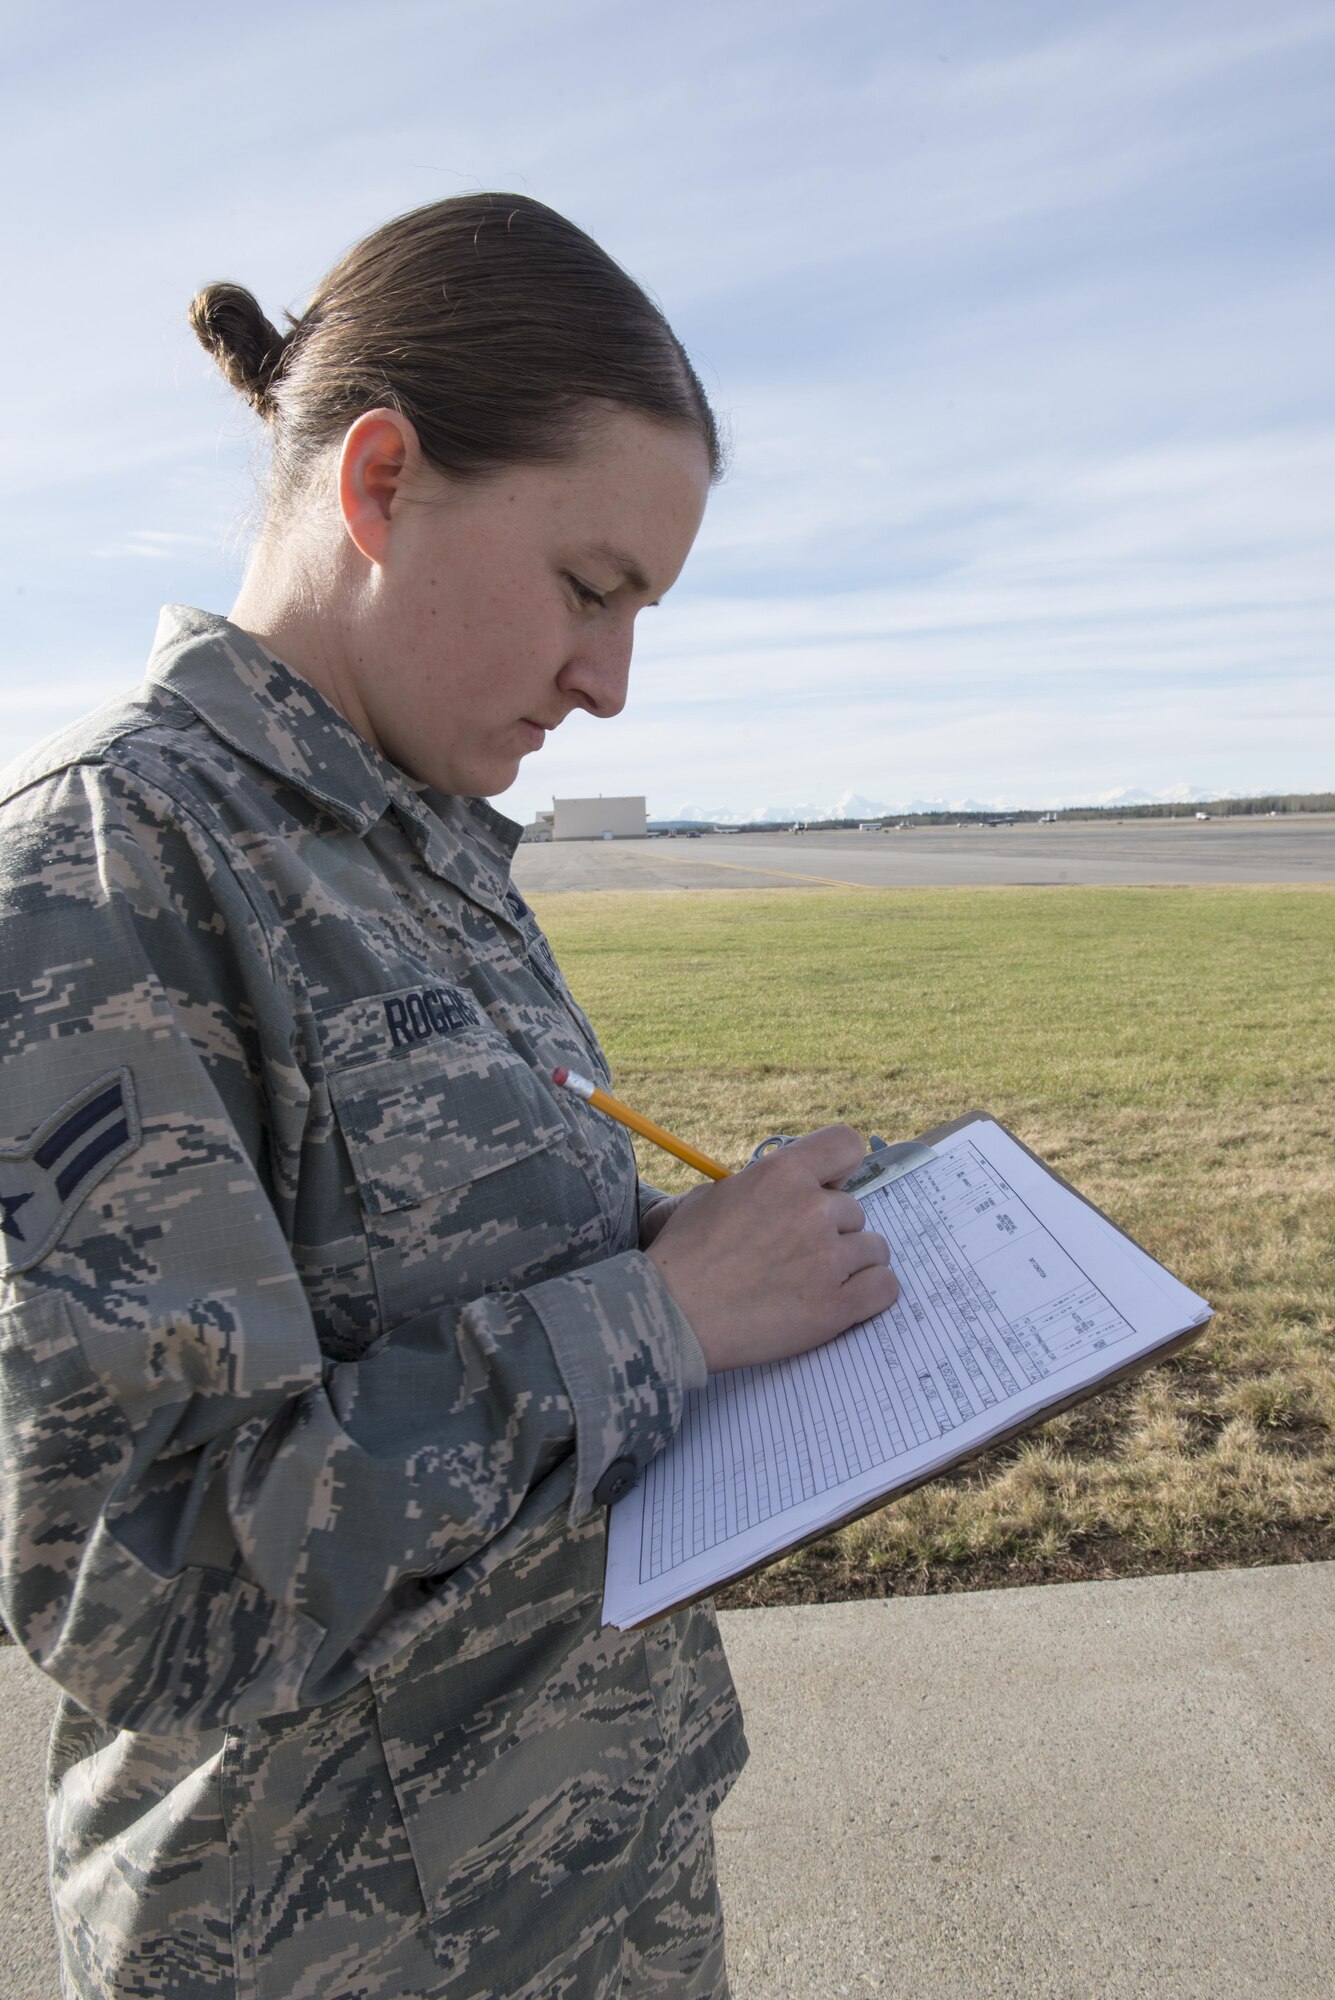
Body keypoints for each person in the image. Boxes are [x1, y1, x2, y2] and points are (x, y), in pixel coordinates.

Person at [0, 193, 898, 2000]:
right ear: (383, 479)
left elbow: (445, 1272)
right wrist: (655, 1313)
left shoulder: (428, 850)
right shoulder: (106, 878)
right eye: (591, 590)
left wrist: (705, 1255)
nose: (613, 683)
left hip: (600, 1879)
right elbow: (144, 1576)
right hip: (343, 1947)